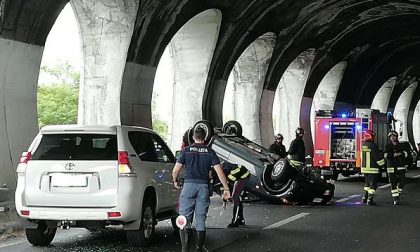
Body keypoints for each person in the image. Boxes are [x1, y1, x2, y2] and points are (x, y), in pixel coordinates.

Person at [172, 127, 230, 252]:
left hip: (188, 186)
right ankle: (198, 249)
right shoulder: (210, 152)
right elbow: (219, 172)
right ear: (205, 138)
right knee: (200, 219)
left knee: (184, 218)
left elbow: (176, 170)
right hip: (203, 187)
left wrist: (175, 181)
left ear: (193, 137)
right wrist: (226, 188)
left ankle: (184, 249)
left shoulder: (186, 151)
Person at [219, 161, 250, 228]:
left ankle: (235, 221)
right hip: (237, 176)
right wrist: (224, 201)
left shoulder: (224, 169)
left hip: (242, 176)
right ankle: (240, 219)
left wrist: (228, 181)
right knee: (236, 198)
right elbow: (224, 187)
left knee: (235, 198)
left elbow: (226, 184)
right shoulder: (220, 171)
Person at [384, 131, 409, 205]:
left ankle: (397, 193)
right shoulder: (388, 146)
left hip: (400, 166)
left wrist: (401, 154)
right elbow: (385, 155)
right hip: (391, 167)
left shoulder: (401, 146)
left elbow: (407, 154)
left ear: (396, 137)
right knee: (393, 183)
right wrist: (393, 154)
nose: (392, 137)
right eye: (391, 136)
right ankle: (396, 199)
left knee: (402, 182)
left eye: (394, 136)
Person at [361, 130, 385, 206]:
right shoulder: (373, 145)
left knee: (367, 184)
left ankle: (364, 198)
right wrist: (383, 164)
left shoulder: (364, 144)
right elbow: (376, 157)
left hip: (364, 168)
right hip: (372, 169)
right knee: (373, 185)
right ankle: (370, 200)